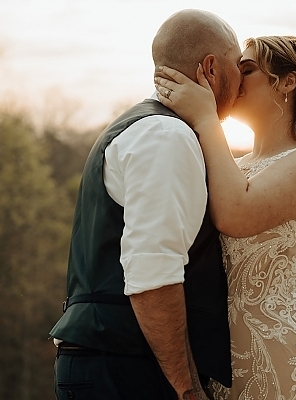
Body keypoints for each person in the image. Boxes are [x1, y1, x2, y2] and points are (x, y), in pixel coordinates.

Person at [49, 9, 243, 400]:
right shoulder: (165, 136)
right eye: (238, 66)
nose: (243, 81)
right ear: (211, 68)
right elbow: (153, 275)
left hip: (113, 362)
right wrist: (187, 389)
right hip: (126, 371)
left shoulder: (144, 126)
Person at [155, 35, 296, 399]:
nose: (235, 78)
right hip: (219, 363)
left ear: (287, 82)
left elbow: (235, 215)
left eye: (246, 70)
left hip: (281, 358)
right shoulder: (235, 167)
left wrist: (204, 117)